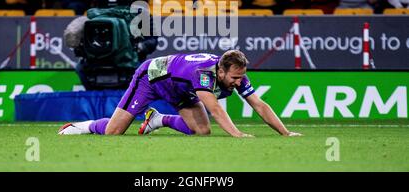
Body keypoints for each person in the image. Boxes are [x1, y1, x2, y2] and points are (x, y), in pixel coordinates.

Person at [58, 50, 302, 138]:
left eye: (241, 77)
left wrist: (286, 132)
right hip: (151, 78)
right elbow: (215, 109)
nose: (238, 82)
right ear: (220, 70)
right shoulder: (204, 74)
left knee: (202, 131)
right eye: (234, 78)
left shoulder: (235, 73)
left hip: (179, 88)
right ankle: (80, 126)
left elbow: (259, 105)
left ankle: (157, 119)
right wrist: (237, 134)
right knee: (114, 131)